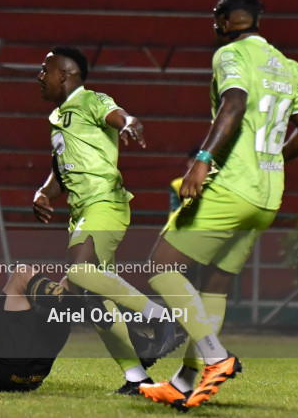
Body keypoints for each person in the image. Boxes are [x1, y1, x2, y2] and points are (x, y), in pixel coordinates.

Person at [140, 0, 298, 410]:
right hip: (267, 197)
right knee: (215, 284)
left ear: (222, 20)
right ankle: (185, 382)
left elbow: (234, 103)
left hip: (233, 186)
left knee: (160, 266)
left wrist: (201, 161)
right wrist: (272, 161)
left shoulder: (230, 55)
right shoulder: (288, 65)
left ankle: (214, 356)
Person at [32, 47, 184, 395]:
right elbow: (59, 176)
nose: (39, 76)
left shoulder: (91, 100)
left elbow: (120, 116)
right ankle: (137, 378)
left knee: (79, 273)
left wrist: (130, 124)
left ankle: (163, 319)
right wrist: (42, 193)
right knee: (95, 300)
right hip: (81, 211)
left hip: (104, 203)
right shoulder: (57, 118)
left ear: (65, 74)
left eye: (45, 69)